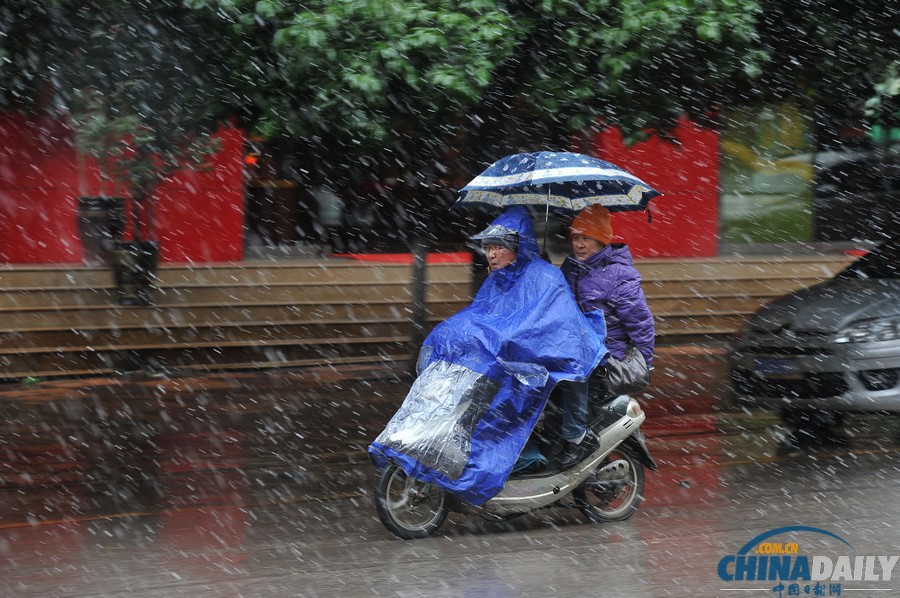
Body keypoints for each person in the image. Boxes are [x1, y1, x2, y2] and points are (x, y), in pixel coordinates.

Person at [369, 206, 607, 505]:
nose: (492, 255)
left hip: (548, 356)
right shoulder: (495, 281)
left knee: (499, 408)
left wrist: (505, 339)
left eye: (499, 248)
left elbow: (547, 326)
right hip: (507, 357)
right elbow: (481, 316)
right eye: (488, 248)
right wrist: (452, 334)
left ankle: (564, 440)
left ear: (516, 248)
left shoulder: (543, 277)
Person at [555, 205, 655, 469]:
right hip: (575, 347)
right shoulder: (571, 268)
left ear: (601, 239)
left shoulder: (618, 275)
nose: (579, 244)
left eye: (586, 237)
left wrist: (644, 361)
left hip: (607, 357)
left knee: (573, 374)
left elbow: (640, 323)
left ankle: (577, 438)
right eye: (575, 238)